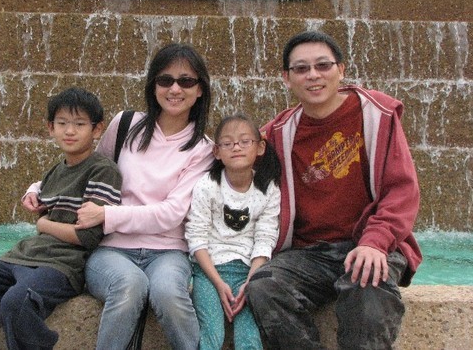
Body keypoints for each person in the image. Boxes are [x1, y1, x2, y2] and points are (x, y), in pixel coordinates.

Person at [25, 43, 214, 350]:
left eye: (186, 81)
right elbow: (83, 169)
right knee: (128, 285)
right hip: (111, 249)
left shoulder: (204, 149)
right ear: (153, 85)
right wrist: (37, 189)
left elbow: (172, 212)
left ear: (200, 90)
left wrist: (107, 215)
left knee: (169, 294)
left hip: (168, 251)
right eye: (165, 80)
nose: (175, 89)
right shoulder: (126, 125)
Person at [246, 30, 422, 349]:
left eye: (323, 65)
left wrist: (375, 242)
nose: (313, 75)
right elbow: (228, 158)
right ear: (286, 78)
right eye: (301, 69)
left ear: (341, 70)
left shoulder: (376, 114)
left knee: (368, 286)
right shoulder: (277, 133)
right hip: (308, 254)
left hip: (369, 243)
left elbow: (401, 191)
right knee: (264, 287)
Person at [0, 87, 122, 350]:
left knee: (18, 303)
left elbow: (88, 237)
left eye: (79, 124)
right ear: (50, 128)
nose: (70, 131)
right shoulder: (55, 171)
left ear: (97, 129)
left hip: (63, 265)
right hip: (22, 257)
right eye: (62, 124)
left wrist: (43, 224)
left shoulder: (103, 171)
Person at [185, 113, 282, 350]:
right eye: (227, 143)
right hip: (208, 273)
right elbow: (196, 236)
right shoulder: (207, 186)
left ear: (259, 147)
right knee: (212, 334)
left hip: (249, 272)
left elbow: (265, 237)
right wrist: (217, 283)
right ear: (217, 152)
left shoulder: (268, 189)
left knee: (249, 338)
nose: (236, 147)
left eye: (244, 141)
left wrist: (251, 281)